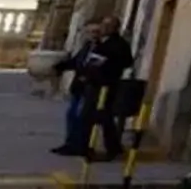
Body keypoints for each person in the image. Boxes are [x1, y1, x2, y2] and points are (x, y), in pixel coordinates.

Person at [51, 18, 133, 157]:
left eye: (108, 26)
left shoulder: (117, 44)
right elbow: (80, 62)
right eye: (104, 25)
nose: (104, 28)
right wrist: (61, 67)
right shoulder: (94, 44)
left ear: (115, 27)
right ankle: (75, 145)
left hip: (101, 86)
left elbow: (121, 62)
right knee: (82, 116)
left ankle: (85, 147)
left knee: (90, 117)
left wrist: (100, 70)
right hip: (85, 85)